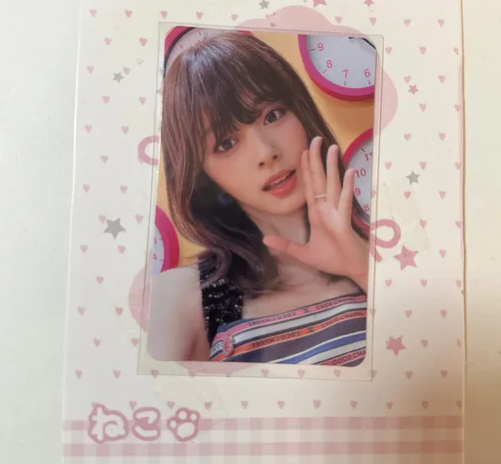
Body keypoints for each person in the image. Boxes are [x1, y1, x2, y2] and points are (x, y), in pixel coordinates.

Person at [147, 31, 370, 366]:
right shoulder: (187, 297)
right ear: (203, 174)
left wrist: (362, 268)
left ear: (301, 111)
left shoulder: (387, 250)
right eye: (226, 143)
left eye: (272, 115)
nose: (266, 153)